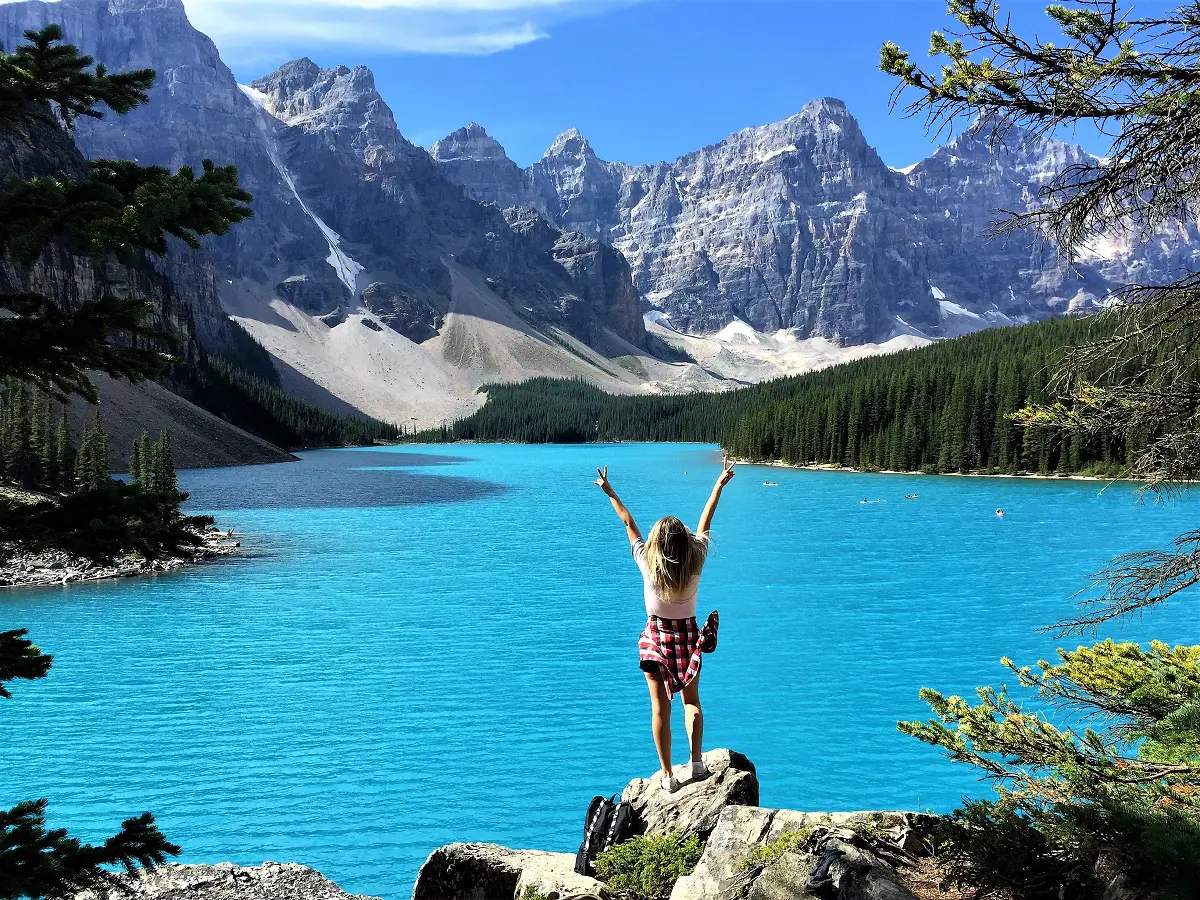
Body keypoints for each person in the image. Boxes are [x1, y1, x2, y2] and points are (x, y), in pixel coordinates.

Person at [594, 458, 735, 793]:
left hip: (656, 640)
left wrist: (609, 491)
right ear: (684, 543)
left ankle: (669, 776)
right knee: (692, 701)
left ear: (657, 543)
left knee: (660, 709)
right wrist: (718, 484)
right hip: (688, 637)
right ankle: (697, 762)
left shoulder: (646, 561)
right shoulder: (696, 559)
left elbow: (629, 523)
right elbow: (706, 521)